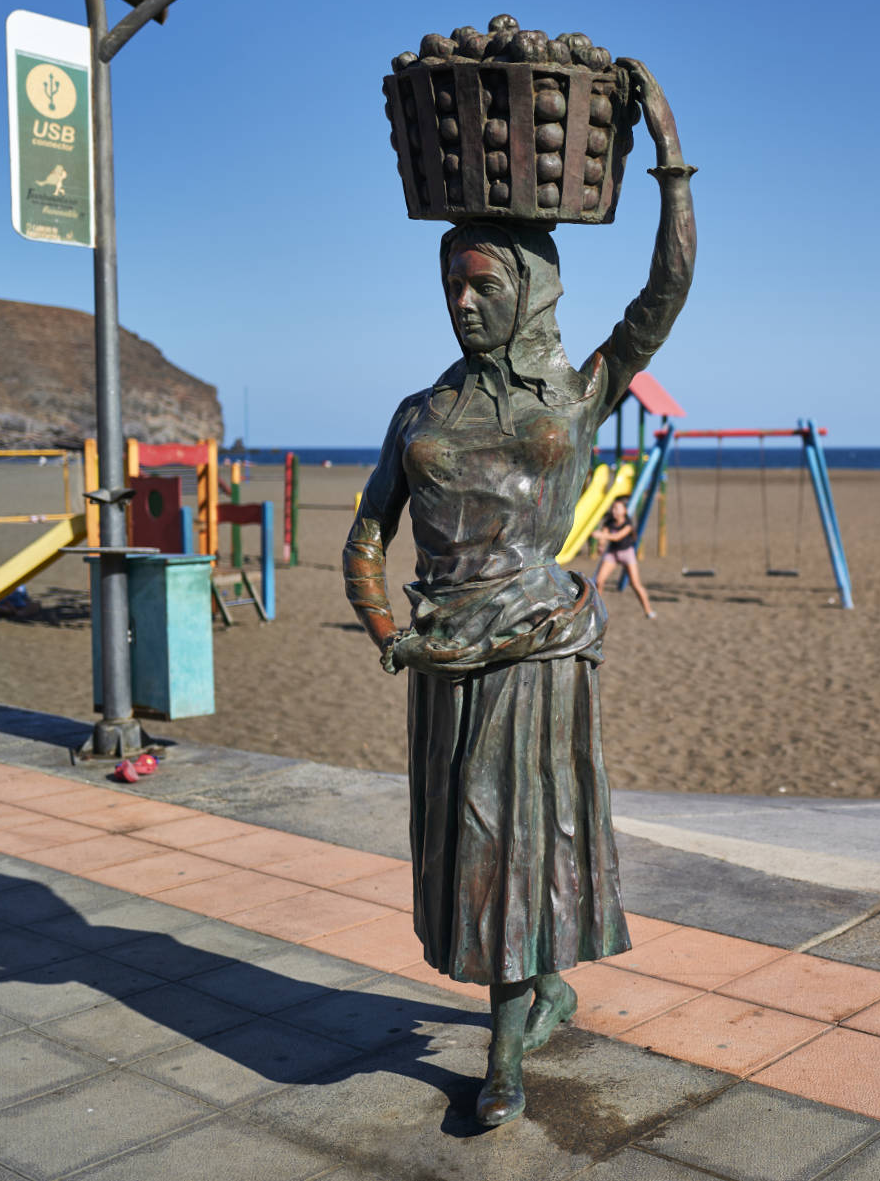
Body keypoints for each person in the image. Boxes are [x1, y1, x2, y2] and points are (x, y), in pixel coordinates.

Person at [342, 59, 691, 1128]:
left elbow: (663, 294)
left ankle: (503, 1056)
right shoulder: (417, 414)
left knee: (510, 837)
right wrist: (385, 627)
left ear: (532, 287)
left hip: (540, 646)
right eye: (453, 283)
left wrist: (669, 157)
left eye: (485, 284)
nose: (464, 301)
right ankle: (541, 985)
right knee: (479, 845)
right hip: (447, 653)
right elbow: (365, 536)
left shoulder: (580, 392)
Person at [591, 497, 656, 620]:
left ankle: (648, 610)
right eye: (613, 508)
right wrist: (601, 544)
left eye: (617, 508)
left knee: (635, 584)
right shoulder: (609, 523)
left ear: (624, 511)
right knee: (599, 580)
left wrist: (601, 535)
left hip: (627, 553)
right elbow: (604, 537)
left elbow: (617, 537)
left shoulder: (628, 525)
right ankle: (597, 610)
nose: (614, 511)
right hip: (612, 553)